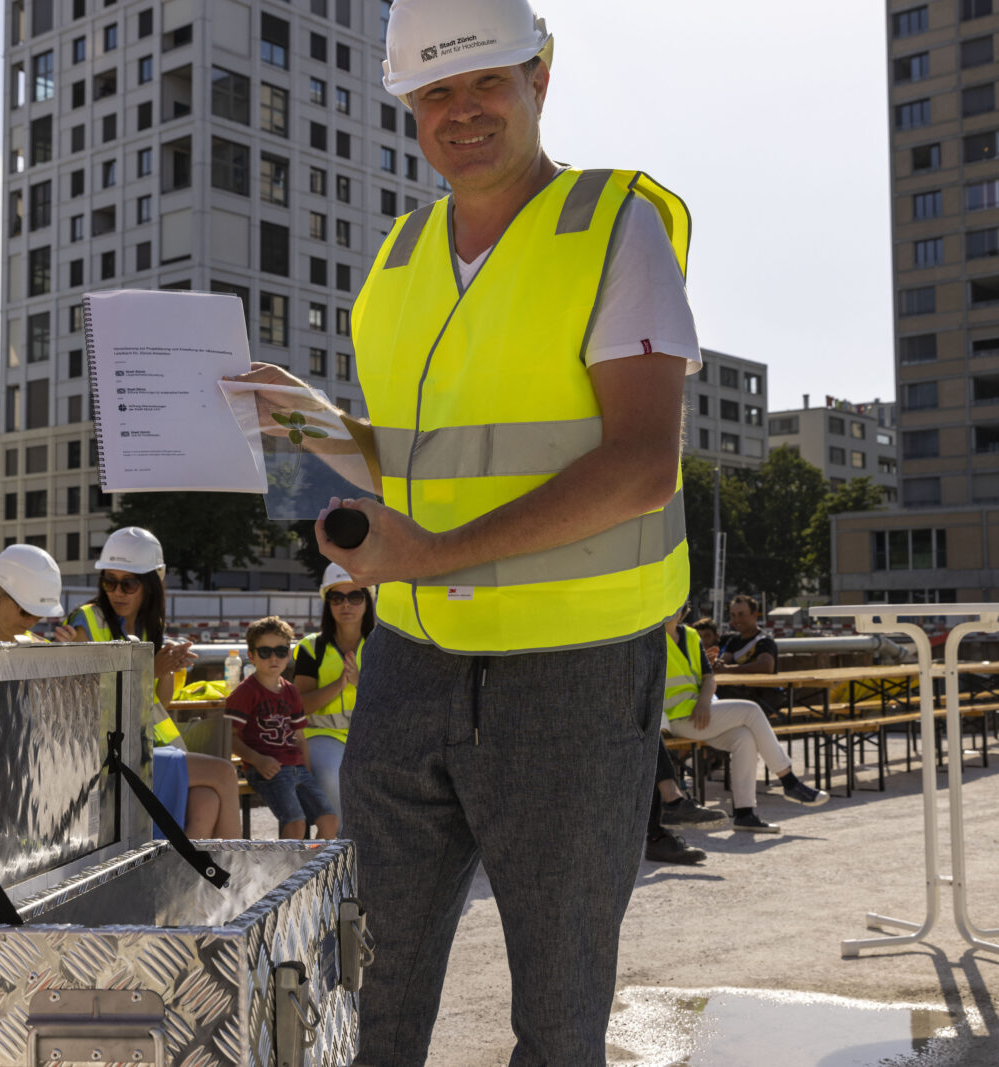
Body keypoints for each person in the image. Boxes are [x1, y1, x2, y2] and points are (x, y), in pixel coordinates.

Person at [234, 0, 698, 1058]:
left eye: (486, 79)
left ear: (540, 76)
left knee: (557, 1008)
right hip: (412, 661)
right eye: (435, 90)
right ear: (408, 105)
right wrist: (305, 419)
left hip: (573, 673)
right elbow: (413, 460)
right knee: (369, 981)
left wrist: (429, 555)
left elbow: (642, 464)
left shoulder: (612, 226)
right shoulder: (400, 257)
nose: (462, 110)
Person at [65, 527, 241, 839]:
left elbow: (162, 701)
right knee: (225, 773)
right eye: (109, 581)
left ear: (150, 584)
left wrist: (167, 668)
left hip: (142, 748)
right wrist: (151, 670)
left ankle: (187, 871)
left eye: (128, 583)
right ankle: (238, 870)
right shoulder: (86, 621)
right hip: (104, 756)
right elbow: (80, 704)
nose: (117, 592)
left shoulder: (150, 626)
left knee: (207, 801)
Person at [662, 606, 828, 833]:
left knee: (744, 737)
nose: (672, 608)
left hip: (700, 712)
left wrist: (703, 701)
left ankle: (744, 813)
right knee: (751, 711)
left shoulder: (691, 635)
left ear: (683, 608)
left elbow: (709, 677)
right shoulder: (652, 640)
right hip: (676, 719)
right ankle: (788, 781)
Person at [225, 617, 340, 840]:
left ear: (288, 655)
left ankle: (313, 863)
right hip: (267, 769)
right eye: (265, 652)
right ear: (251, 656)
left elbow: (300, 738)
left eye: (280, 651)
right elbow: (229, 737)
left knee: (330, 821)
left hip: (298, 768)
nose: (274, 658)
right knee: (295, 824)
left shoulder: (291, 691)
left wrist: (307, 772)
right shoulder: (245, 692)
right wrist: (258, 760)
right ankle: (287, 864)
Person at [291, 563, 372, 824]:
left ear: (367, 600)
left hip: (368, 735)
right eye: (337, 597)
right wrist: (338, 685)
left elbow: (395, 701)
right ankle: (340, 841)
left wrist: (359, 682)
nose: (346, 604)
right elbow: (300, 707)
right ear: (328, 603)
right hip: (321, 735)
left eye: (355, 596)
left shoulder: (381, 645)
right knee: (332, 776)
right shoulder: (310, 647)